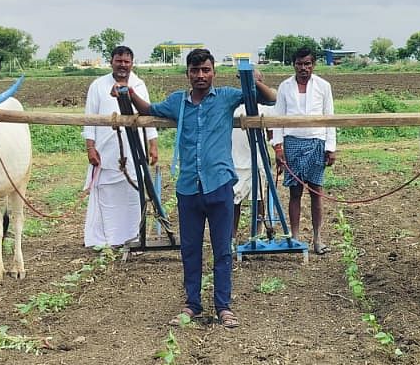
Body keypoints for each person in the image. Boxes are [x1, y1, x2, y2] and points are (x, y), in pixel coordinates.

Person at [119, 48, 277, 328]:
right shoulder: (178, 102)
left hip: (219, 184)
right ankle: (192, 304)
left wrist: (253, 80)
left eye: (205, 70)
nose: (200, 76)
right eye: (195, 71)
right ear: (187, 74)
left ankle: (223, 306)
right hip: (189, 187)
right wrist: (128, 94)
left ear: (213, 72)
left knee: (222, 249)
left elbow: (270, 99)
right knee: (191, 249)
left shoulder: (227, 97)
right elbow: (148, 110)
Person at [82, 45, 159, 248]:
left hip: (135, 152)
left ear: (132, 63)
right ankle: (105, 241)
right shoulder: (98, 86)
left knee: (134, 195)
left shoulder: (139, 85)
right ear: (112, 62)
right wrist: (90, 148)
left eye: (126, 62)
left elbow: (148, 117)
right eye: (119, 61)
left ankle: (133, 238)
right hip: (106, 151)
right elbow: (89, 121)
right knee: (107, 194)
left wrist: (153, 145)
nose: (122, 65)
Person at [270, 46, 337, 254]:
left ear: (313, 65)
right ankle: (296, 239)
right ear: (294, 65)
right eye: (299, 64)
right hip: (292, 144)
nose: (303, 68)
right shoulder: (284, 87)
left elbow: (330, 118)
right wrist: (278, 148)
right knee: (295, 193)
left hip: (317, 142)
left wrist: (330, 147)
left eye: (307, 64)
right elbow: (278, 119)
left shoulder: (323, 86)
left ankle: (317, 239)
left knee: (316, 192)